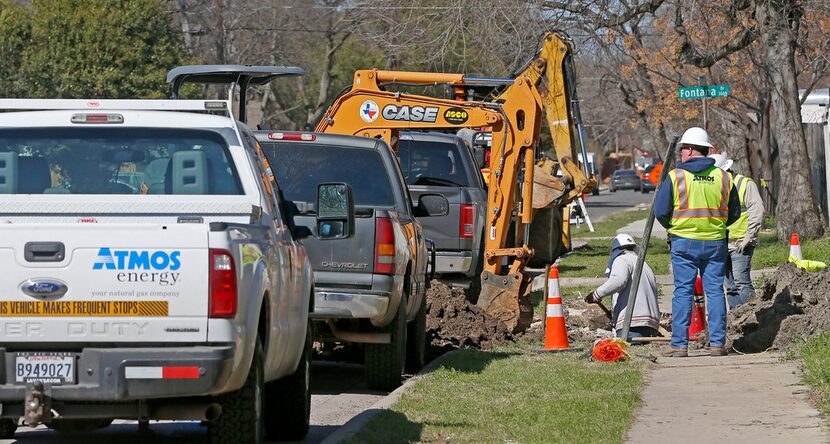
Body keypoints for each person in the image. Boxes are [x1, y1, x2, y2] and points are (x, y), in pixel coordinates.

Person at [654, 127, 741, 357]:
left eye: (683, 150)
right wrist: (716, 225)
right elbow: (734, 212)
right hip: (715, 243)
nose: (681, 154)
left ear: (691, 150)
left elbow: (660, 211)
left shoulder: (675, 177)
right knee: (714, 292)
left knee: (683, 292)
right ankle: (717, 344)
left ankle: (679, 346)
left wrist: (675, 227)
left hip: (684, 243)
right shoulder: (724, 176)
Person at [709, 152, 765, 308]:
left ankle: (753, 316)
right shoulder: (715, 187)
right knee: (731, 288)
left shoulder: (744, 184)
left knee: (742, 282)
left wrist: (749, 236)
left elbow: (757, 210)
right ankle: (736, 320)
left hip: (741, 243)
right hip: (721, 243)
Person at [584, 234, 661, 340]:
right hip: (651, 326)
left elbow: (618, 281)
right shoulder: (644, 264)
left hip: (632, 325)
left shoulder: (622, 259)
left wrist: (596, 294)